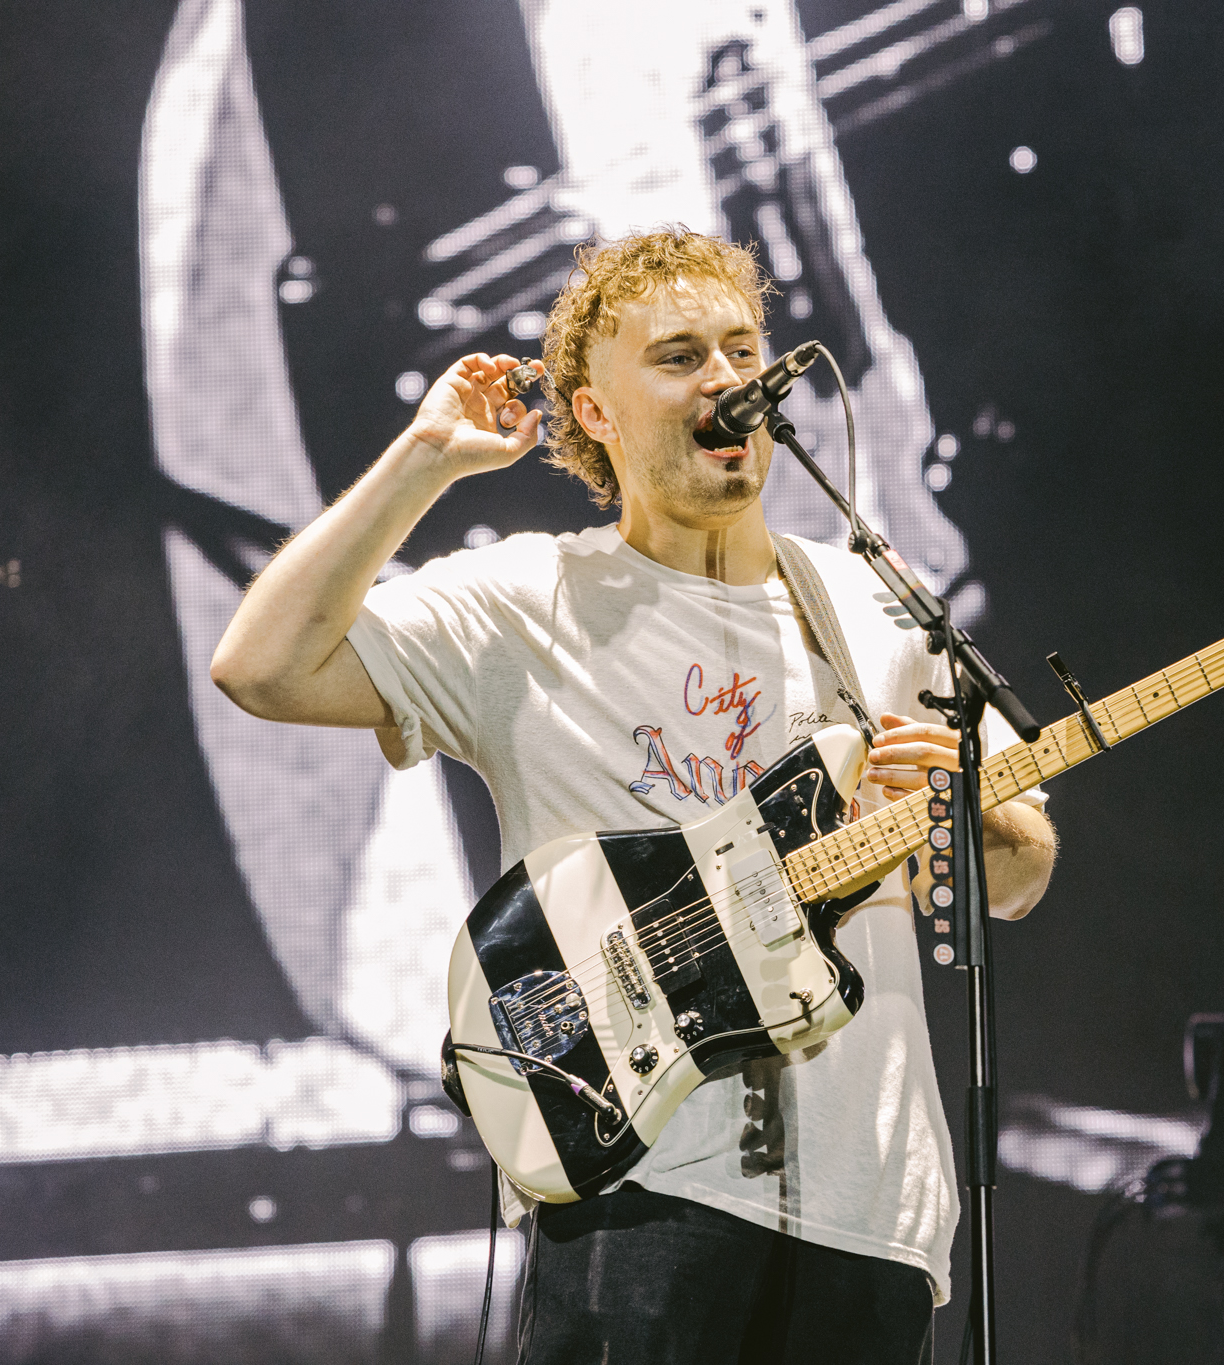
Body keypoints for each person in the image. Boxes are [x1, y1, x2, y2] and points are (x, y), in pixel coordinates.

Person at [210, 228, 1057, 1363]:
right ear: (592, 414)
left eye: (740, 347)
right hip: (638, 1187)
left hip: (872, 1212)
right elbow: (261, 667)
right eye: (677, 357)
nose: (725, 380)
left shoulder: (870, 603)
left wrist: (968, 815)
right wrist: (422, 460)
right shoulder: (523, 599)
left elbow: (1020, 877)